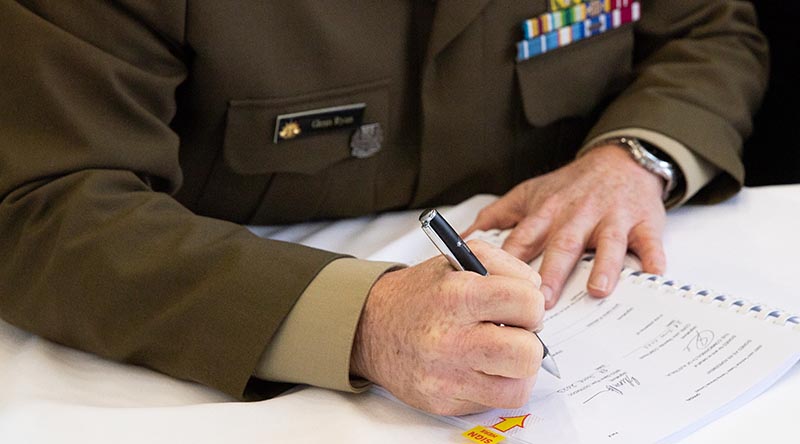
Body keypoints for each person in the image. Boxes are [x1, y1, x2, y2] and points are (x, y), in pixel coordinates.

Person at [0, 1, 766, 416]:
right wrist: (361, 321)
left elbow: (707, 30)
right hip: (195, 356)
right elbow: (46, 205)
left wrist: (633, 158)